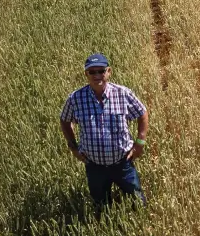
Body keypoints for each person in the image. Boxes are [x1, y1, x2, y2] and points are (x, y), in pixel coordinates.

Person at [60, 53, 148, 216]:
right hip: (94, 166)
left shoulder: (123, 94)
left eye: (100, 71)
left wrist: (139, 143)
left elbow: (142, 114)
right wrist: (73, 146)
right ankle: (106, 225)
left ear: (109, 72)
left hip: (123, 163)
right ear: (86, 74)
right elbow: (64, 121)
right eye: (92, 72)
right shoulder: (75, 98)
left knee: (137, 201)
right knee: (101, 206)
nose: (97, 75)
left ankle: (141, 224)